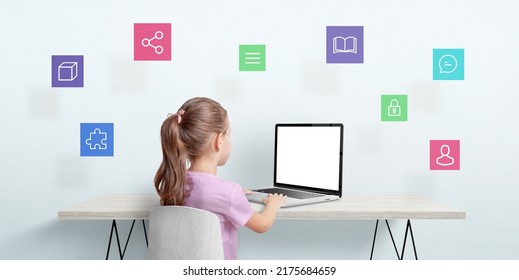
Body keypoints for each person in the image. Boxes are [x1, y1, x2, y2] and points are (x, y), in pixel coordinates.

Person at [154, 97, 286, 259]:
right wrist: (273, 203)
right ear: (219, 140)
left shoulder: (175, 182)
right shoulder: (229, 192)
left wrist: (236, 196)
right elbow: (262, 225)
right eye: (228, 133)